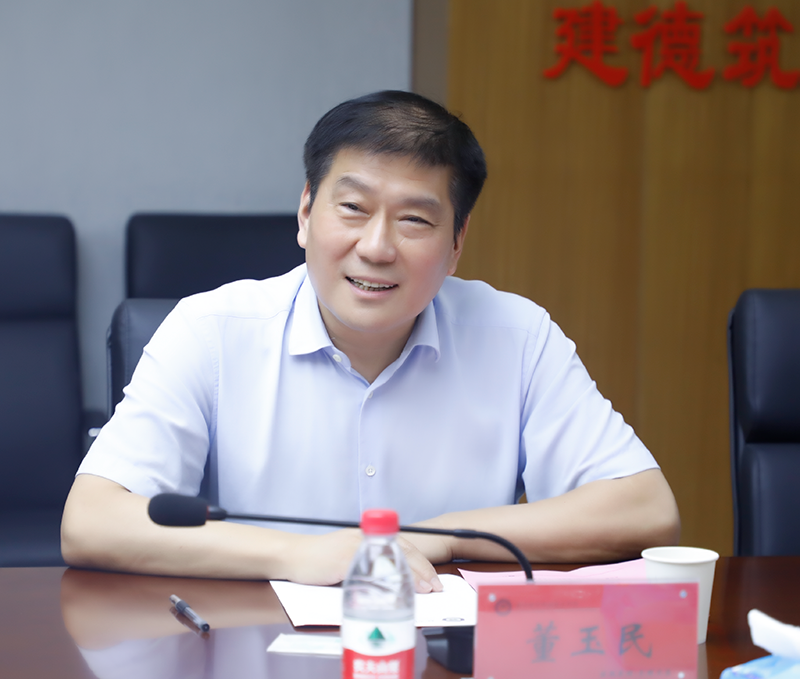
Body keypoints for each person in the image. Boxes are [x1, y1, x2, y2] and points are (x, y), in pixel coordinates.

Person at [61, 90, 679, 592]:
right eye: (353, 208)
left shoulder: (516, 336)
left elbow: (646, 510)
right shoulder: (211, 331)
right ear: (306, 213)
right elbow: (92, 520)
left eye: (414, 219)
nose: (378, 247)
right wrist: (299, 555)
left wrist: (436, 536)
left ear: (457, 243)